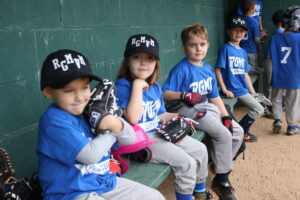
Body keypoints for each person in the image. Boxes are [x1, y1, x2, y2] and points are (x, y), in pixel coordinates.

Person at [36, 49, 165, 200]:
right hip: (71, 193)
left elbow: (131, 138)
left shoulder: (92, 108)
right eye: (68, 91)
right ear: (48, 92)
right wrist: (111, 131)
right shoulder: (54, 119)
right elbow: (89, 155)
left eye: (84, 88)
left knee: (155, 197)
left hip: (104, 182)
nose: (79, 98)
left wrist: (115, 122)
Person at [115, 34, 211, 200]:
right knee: (186, 163)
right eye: (137, 57)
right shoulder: (124, 85)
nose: (143, 62)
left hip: (159, 133)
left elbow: (161, 114)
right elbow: (132, 119)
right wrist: (137, 86)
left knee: (200, 149)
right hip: (140, 140)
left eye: (149, 58)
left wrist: (179, 118)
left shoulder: (155, 86)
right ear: (128, 61)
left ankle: (200, 191)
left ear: (155, 63)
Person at [162, 24, 244, 200]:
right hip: (189, 109)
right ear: (184, 48)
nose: (198, 48)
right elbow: (165, 94)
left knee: (237, 131)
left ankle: (217, 165)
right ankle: (221, 179)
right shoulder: (181, 69)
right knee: (223, 134)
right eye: (193, 45)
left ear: (208, 46)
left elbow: (214, 97)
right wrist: (183, 94)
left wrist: (226, 116)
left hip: (207, 106)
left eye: (202, 44)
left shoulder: (207, 69)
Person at [214, 16, 264, 143]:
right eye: (235, 30)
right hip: (233, 89)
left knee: (259, 107)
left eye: (241, 31)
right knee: (259, 109)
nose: (238, 33)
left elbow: (245, 73)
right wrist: (224, 89)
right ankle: (241, 131)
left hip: (242, 88)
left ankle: (240, 131)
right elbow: (218, 70)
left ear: (245, 33)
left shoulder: (242, 51)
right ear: (228, 31)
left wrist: (253, 91)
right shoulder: (225, 49)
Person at [267, 6, 300, 136]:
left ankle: (277, 120)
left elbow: (269, 56)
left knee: (276, 98)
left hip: (278, 73)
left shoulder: (276, 37)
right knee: (293, 101)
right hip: (294, 75)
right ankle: (292, 126)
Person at [263, 9, 285, 120]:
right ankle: (269, 109)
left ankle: (274, 107)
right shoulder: (279, 33)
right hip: (271, 61)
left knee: (275, 87)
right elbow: (269, 55)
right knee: (272, 87)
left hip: (273, 62)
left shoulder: (279, 32)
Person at [239, 0, 264, 75]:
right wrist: (259, 46)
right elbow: (256, 39)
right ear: (252, 8)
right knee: (251, 72)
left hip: (241, 49)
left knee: (244, 68)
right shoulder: (254, 22)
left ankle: (255, 68)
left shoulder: (240, 20)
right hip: (251, 49)